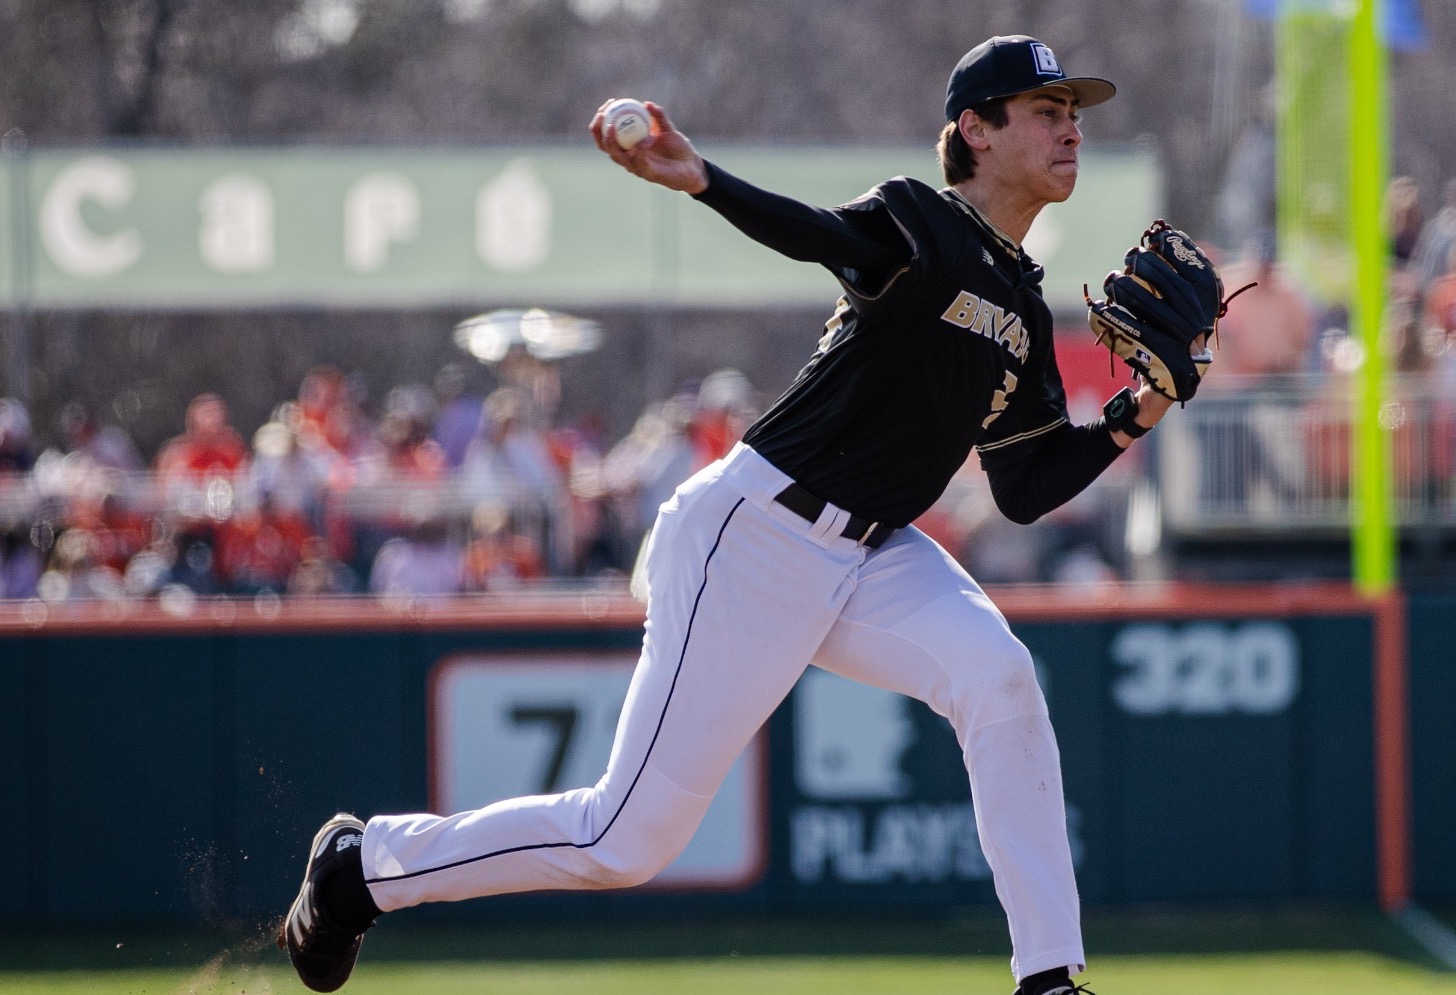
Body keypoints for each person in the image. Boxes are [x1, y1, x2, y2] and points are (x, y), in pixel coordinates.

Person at [279, 36, 1166, 995]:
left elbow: (1026, 485)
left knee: (1000, 675)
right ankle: (365, 868)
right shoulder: (921, 221)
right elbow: (819, 233)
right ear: (977, 131)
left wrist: (1143, 404)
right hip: (756, 534)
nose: (1071, 128)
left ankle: (1049, 979)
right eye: (1046, 110)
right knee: (622, 840)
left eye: (1073, 112)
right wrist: (704, 180)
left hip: (876, 553)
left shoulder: (1024, 307)